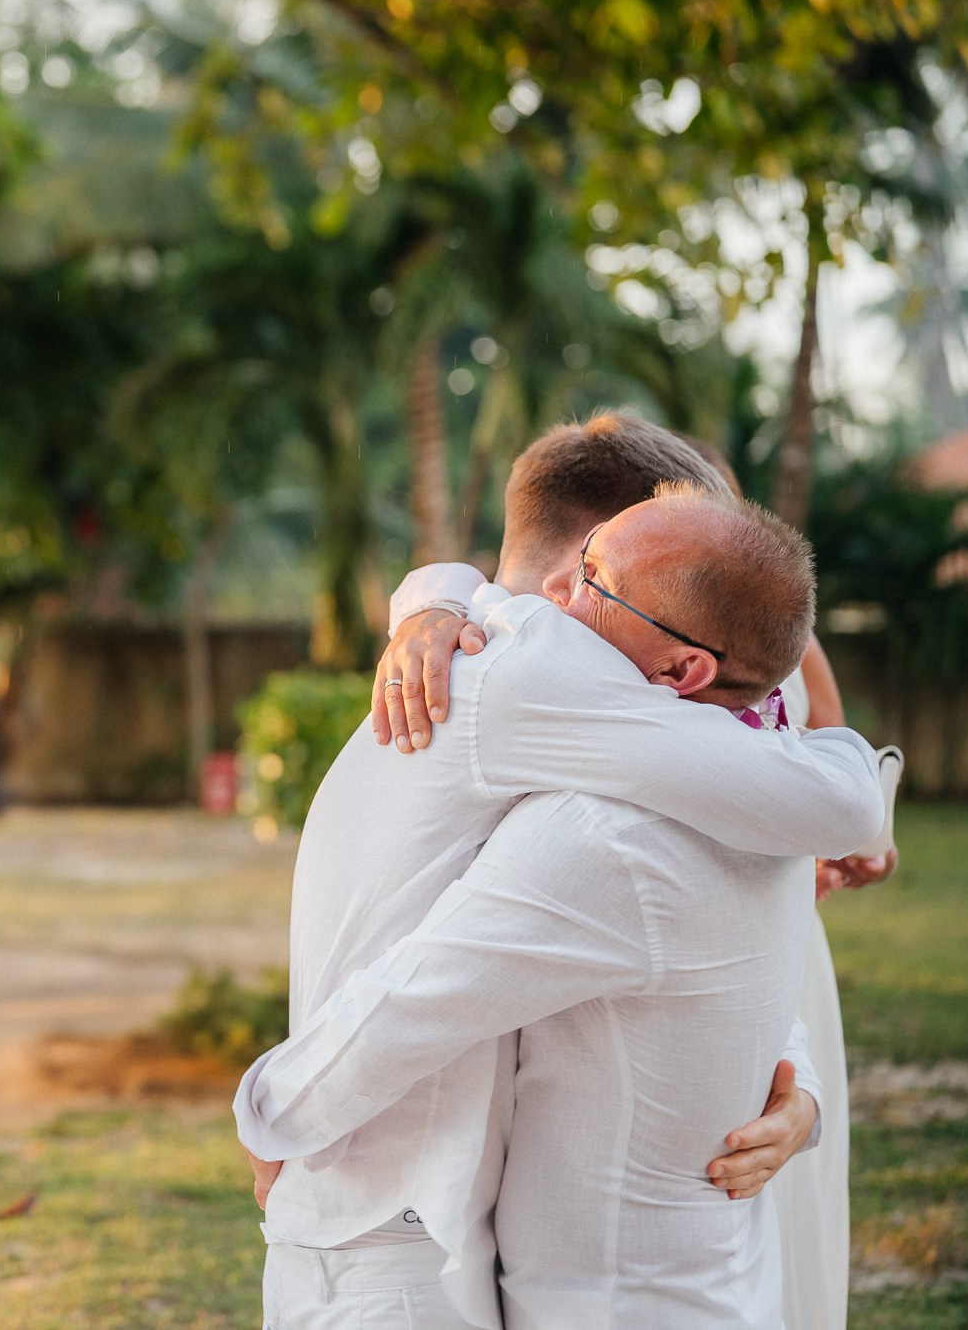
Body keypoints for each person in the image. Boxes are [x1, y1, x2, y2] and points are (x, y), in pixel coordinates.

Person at [233, 413, 885, 1330]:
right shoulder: (526, 666)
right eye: (593, 564)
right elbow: (834, 797)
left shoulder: (551, 674)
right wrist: (270, 1111)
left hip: (440, 1206)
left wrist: (800, 1085)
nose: (559, 589)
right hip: (385, 1221)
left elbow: (726, 895)